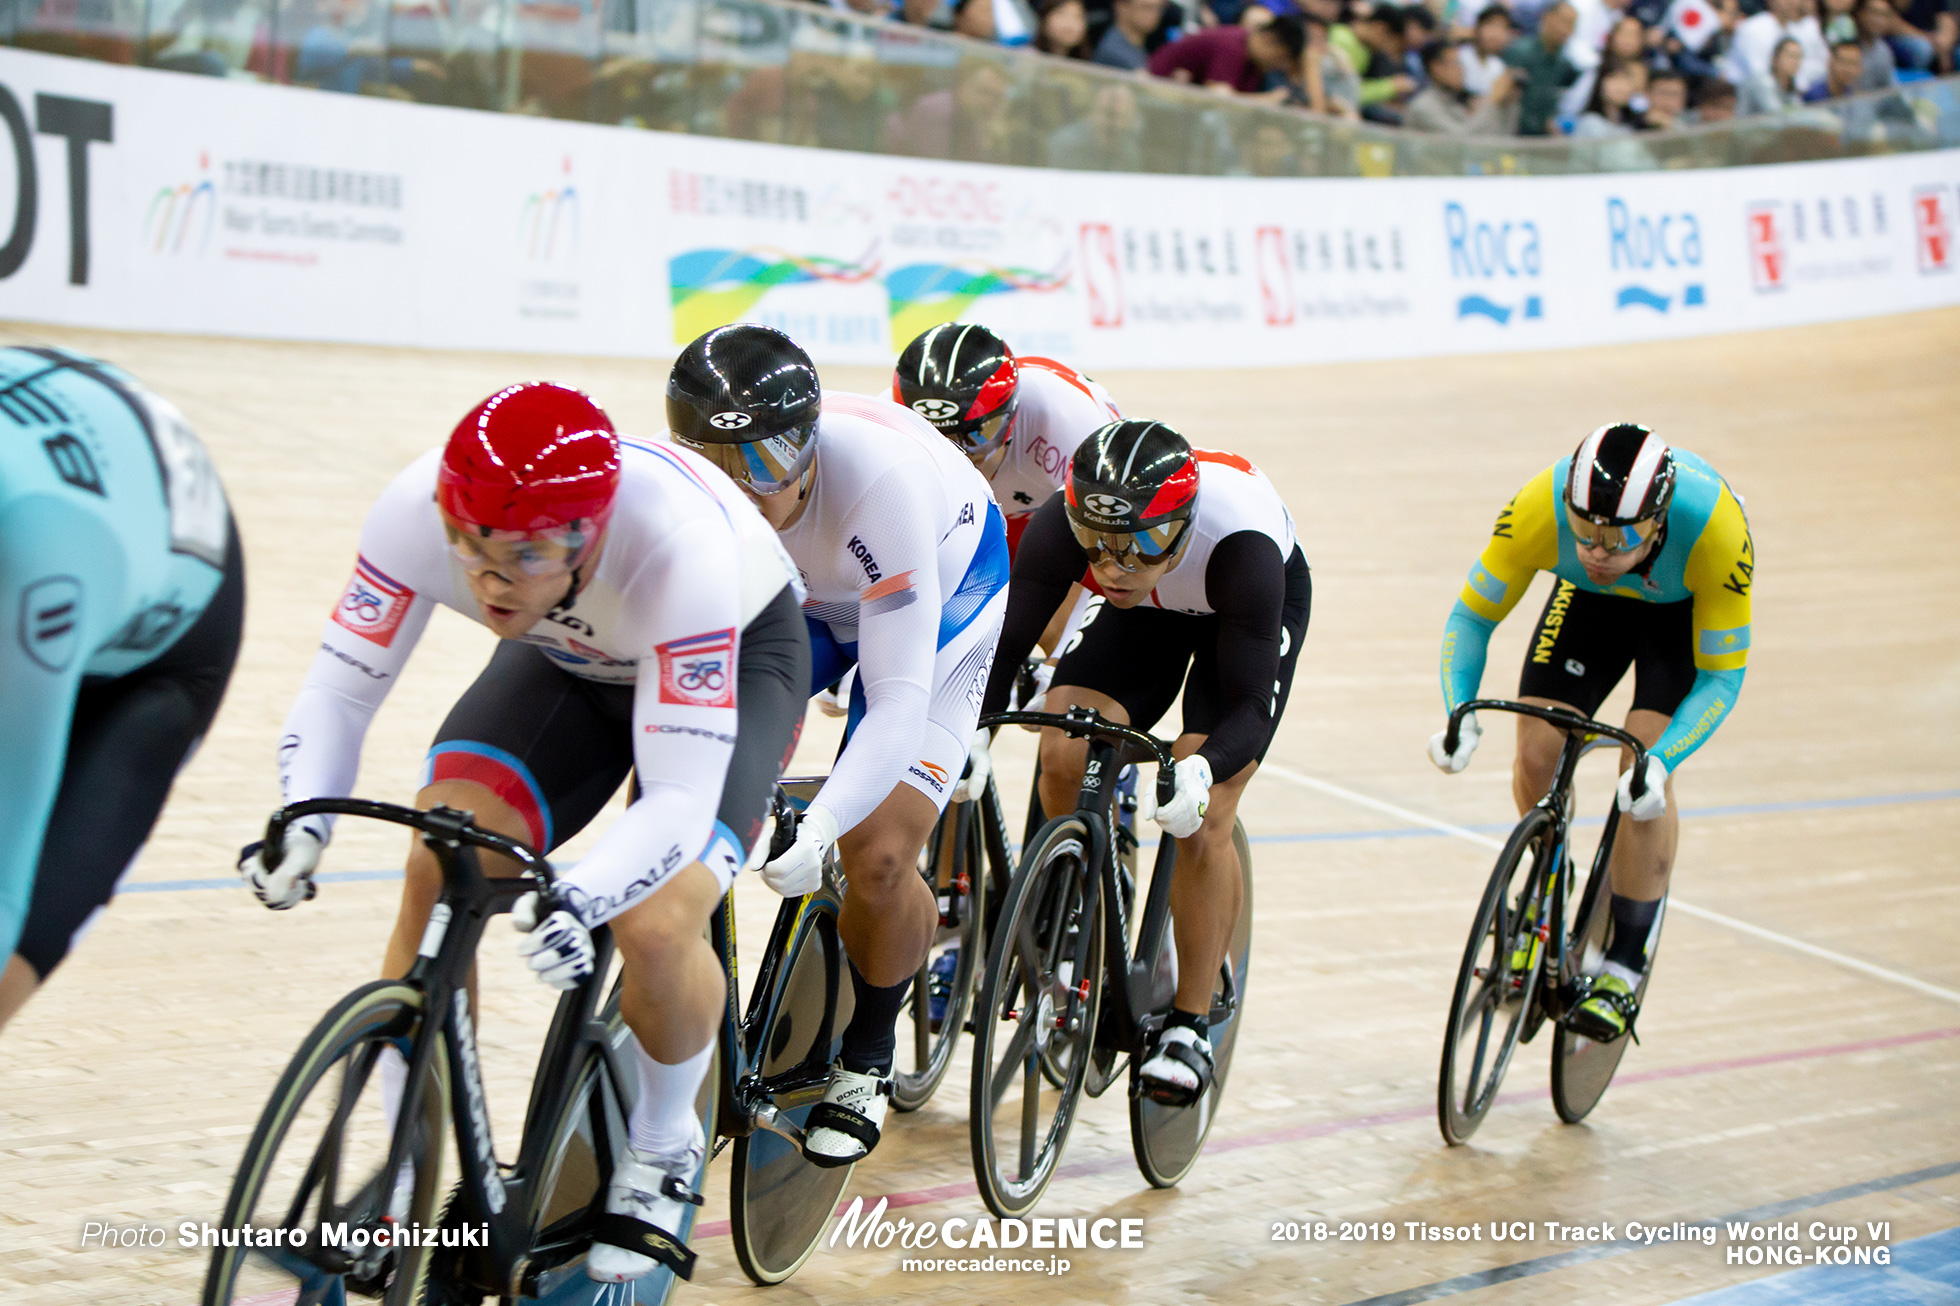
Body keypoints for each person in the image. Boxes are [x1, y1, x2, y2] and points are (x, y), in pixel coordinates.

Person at [242, 382, 807, 1283]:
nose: (491, 581)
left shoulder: (679, 553)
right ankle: (399, 1171)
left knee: (656, 919)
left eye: (526, 555)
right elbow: (342, 689)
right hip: (571, 651)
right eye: (471, 551)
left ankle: (664, 1143)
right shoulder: (422, 512)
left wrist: (580, 893)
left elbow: (674, 801)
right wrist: (302, 817)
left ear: (589, 533)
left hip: (732, 654)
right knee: (441, 854)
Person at [666, 325, 1009, 1169]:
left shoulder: (877, 487)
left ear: (810, 443)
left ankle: (866, 1054)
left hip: (945, 591)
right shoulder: (698, 500)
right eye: (719, 464)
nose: (747, 491)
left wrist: (819, 830)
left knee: (879, 853)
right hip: (811, 599)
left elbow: (895, 701)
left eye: (769, 460)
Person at [979, 421, 1311, 1107]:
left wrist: (1204, 767)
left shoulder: (1241, 548)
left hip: (1235, 610)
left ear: (1182, 525)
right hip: (1152, 609)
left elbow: (1248, 705)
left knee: (1202, 809)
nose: (1111, 567)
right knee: (1066, 744)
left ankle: (1189, 1026)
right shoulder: (1078, 532)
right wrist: (967, 736)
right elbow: (1006, 648)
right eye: (1097, 546)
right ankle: (1075, 900)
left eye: (1139, 546)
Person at [1429, 424, 1753, 1042]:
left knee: (1642, 769)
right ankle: (1548, 881)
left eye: (1617, 538)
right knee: (1537, 751)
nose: (1598, 551)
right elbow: (1471, 616)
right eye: (1585, 533)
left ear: (1657, 523)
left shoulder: (1715, 530)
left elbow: (1720, 679)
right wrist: (1459, 711)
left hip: (1677, 614)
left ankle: (1624, 965)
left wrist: (1662, 760)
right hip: (1586, 606)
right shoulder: (1537, 509)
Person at [0, 347, 243, 1034]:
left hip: (154, 662)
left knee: (14, 948)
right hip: (93, 462)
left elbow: (6, 876)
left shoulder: (40, 562)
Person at [1148, 11, 1307, 93]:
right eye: (1279, 58)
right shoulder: (1232, 45)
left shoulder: (1255, 64)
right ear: (1268, 38)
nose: (1277, 65)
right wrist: (1267, 101)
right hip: (1153, 90)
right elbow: (1220, 99)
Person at [1404, 35, 1521, 130]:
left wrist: (1507, 104)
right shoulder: (1423, 107)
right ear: (1436, 68)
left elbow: (1497, 139)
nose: (1461, 70)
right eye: (1455, 64)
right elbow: (1462, 143)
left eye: (1461, 63)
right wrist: (1492, 101)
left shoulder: (1458, 101)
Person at [1504, 0, 1582, 134]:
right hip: (1511, 134)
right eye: (1562, 21)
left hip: (1541, 139)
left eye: (1571, 24)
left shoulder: (1564, 65)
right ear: (1547, 17)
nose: (1565, 29)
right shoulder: (1520, 51)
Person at [1728, 0, 1828, 94]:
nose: (1793, 3)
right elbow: (1757, 75)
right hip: (1744, 95)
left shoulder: (1797, 30)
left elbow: (1816, 66)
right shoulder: (1753, 28)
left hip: (1787, 93)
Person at [1572, 53, 1646, 131]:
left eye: (1626, 79)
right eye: (1614, 79)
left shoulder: (1633, 124)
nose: (1622, 87)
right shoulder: (1590, 123)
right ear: (1599, 84)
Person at [1740, 34, 1808, 110]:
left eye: (1798, 57)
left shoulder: (1790, 83)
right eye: (1791, 56)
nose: (1795, 62)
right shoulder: (1763, 82)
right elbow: (1776, 115)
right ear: (1775, 59)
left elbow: (1798, 109)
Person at [1458, 3, 1515, 93]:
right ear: (1478, 27)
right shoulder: (1459, 56)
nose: (1495, 34)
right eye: (1491, 25)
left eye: (1503, 28)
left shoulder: (1498, 67)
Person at [1094, 0, 1168, 67]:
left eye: (1159, 8)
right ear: (1121, 6)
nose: (1155, 14)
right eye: (1146, 7)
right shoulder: (1114, 53)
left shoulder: (1137, 47)